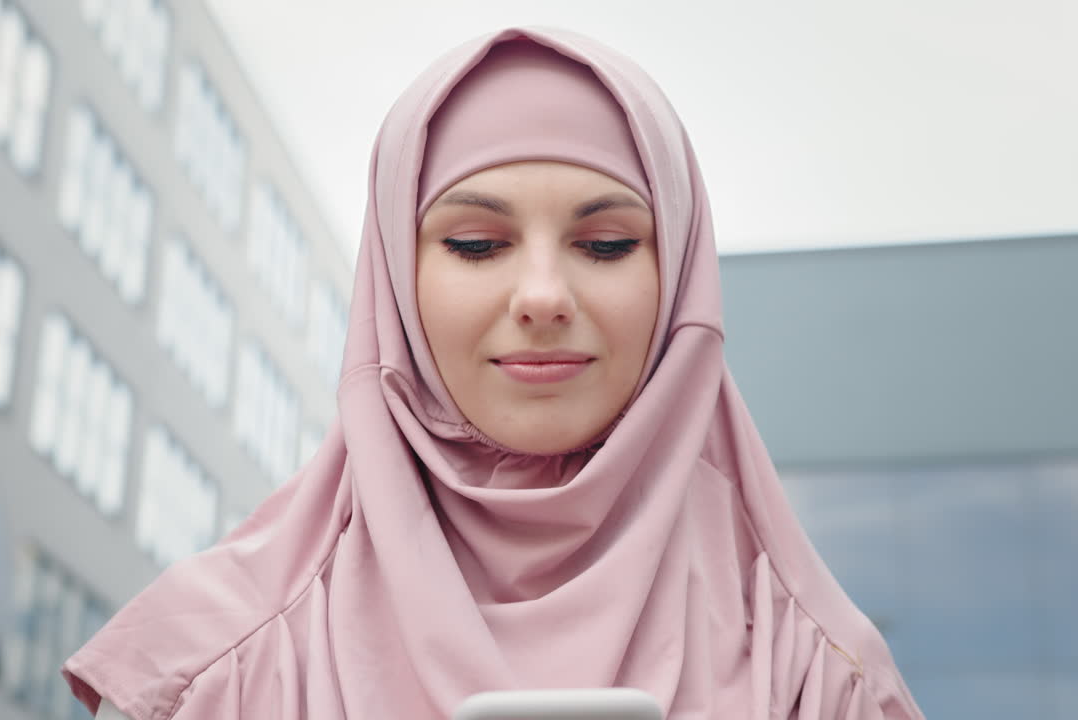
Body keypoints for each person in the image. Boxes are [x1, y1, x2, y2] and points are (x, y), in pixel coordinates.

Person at [66, 27, 924, 720]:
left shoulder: (816, 673)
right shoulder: (209, 669)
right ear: (396, 282)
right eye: (476, 244)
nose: (544, 295)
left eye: (606, 244)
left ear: (678, 279)